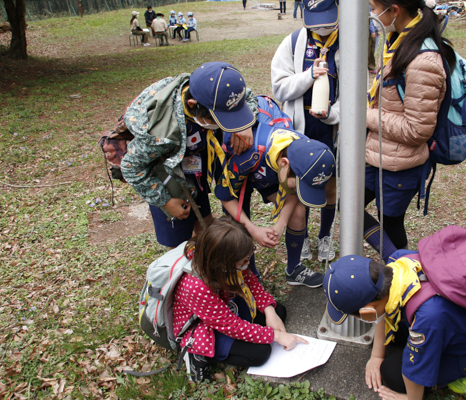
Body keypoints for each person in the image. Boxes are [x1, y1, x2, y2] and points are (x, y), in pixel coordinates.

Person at [323, 254, 466, 399]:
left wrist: (411, 397)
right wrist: (376, 356)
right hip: (445, 319)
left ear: (368, 311)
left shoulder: (426, 319)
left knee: (393, 375)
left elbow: (417, 370)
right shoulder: (398, 263)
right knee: (396, 334)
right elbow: (383, 308)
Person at [121, 62, 256, 249]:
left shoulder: (219, 91)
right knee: (179, 239)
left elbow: (247, 97)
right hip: (167, 177)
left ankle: (210, 259)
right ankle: (187, 271)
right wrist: (165, 201)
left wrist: (244, 126)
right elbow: (130, 167)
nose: (227, 125)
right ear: (193, 106)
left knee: (204, 220)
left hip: (194, 166)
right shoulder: (159, 135)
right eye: (220, 119)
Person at [362, 0, 453, 260]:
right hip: (378, 154)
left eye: (373, 7)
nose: (372, 14)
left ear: (394, 10)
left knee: (390, 224)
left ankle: (401, 272)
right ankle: (397, 265)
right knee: (349, 206)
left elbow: (417, 130)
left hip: (401, 165)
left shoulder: (424, 60)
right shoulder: (398, 41)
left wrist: (365, 116)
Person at [173, 217, 308, 382]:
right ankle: (198, 355)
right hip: (205, 326)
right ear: (222, 264)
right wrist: (275, 336)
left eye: (248, 257)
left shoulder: (231, 259)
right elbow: (230, 325)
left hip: (226, 305)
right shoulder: (196, 286)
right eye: (243, 261)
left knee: (278, 311)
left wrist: (269, 310)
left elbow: (251, 282)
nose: (247, 263)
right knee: (260, 354)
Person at [214, 121, 335, 288]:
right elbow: (226, 197)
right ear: (285, 163)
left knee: (298, 212)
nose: (297, 190)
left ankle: (294, 269)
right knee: (238, 227)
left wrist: (280, 225)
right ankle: (250, 276)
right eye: (296, 185)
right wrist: (253, 229)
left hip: (272, 173)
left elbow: (292, 192)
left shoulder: (304, 148)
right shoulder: (247, 155)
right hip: (241, 173)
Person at [271, 0, 340, 264]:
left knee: (330, 185)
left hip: (330, 127)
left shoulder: (347, 43)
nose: (322, 26)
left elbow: (355, 92)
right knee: (300, 183)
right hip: (299, 128)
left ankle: (325, 236)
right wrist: (309, 75)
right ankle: (303, 237)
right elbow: (279, 88)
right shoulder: (294, 42)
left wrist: (332, 114)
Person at [368, 6, 379, 74]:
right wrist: (372, 30)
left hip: (372, 29)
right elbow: (368, 20)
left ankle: (371, 67)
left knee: (372, 49)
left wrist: (376, 29)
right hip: (369, 30)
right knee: (369, 50)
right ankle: (369, 67)